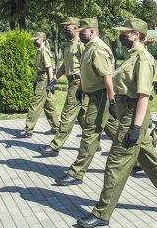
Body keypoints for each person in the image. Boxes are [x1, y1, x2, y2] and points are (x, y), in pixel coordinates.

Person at [77, 18, 157, 228]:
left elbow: (144, 96)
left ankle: (102, 212)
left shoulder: (143, 59)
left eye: (125, 33)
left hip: (133, 113)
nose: (121, 36)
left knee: (116, 164)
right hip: (127, 111)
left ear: (137, 34)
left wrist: (136, 128)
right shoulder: (132, 56)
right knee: (148, 159)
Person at [54, 18, 117, 186]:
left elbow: (107, 77)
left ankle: (76, 173)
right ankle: (140, 159)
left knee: (89, 134)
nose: (80, 34)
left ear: (92, 31)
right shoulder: (89, 48)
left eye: (83, 32)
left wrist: (112, 101)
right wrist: (81, 88)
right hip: (93, 93)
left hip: (101, 95)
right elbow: (86, 71)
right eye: (79, 32)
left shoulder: (98, 49)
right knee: (118, 133)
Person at [39, 17, 90, 155]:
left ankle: (55, 146)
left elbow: (86, 65)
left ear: (75, 27)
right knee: (81, 115)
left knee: (67, 115)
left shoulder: (81, 44)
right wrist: (55, 78)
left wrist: (83, 84)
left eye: (67, 27)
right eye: (64, 28)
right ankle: (93, 143)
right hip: (72, 81)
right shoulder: (70, 45)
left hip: (78, 82)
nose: (64, 30)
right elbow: (65, 65)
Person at [19, 32, 59, 137]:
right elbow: (39, 70)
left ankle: (28, 129)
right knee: (48, 105)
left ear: (41, 39)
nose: (34, 41)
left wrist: (51, 82)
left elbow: (49, 68)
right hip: (41, 78)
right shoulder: (39, 51)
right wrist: (35, 81)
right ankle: (56, 127)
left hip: (44, 79)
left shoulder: (44, 51)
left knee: (35, 104)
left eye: (36, 39)